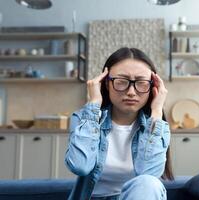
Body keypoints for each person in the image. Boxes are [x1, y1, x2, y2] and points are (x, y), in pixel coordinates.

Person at [65, 47, 173, 200]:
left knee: (148, 183)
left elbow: (149, 173)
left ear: (153, 87)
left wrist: (156, 112)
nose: (131, 91)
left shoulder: (157, 125)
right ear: (106, 83)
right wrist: (94, 102)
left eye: (141, 83)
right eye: (121, 82)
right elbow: (80, 166)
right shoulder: (84, 118)